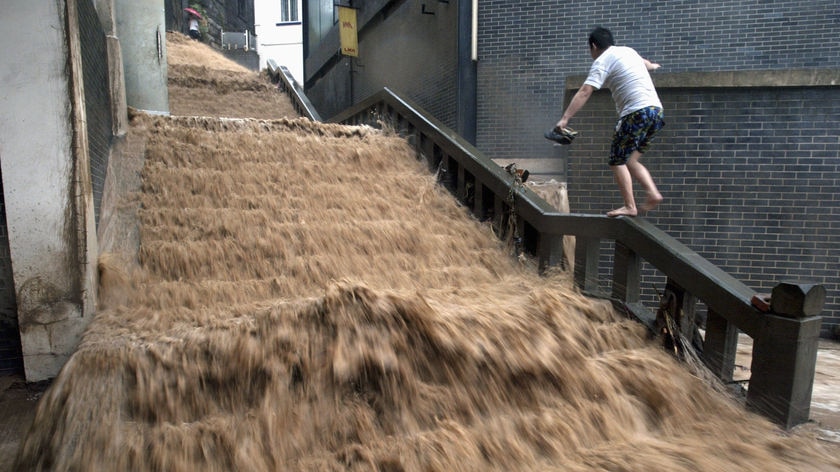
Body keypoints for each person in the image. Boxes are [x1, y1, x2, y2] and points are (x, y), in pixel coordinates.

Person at [550, 27, 665, 217]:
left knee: (616, 160)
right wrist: (653, 66)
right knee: (630, 159)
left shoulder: (602, 61)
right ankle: (652, 192)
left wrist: (564, 119)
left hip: (636, 112)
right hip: (656, 112)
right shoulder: (628, 51)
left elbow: (585, 91)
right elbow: (645, 63)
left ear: (594, 46)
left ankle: (630, 206)